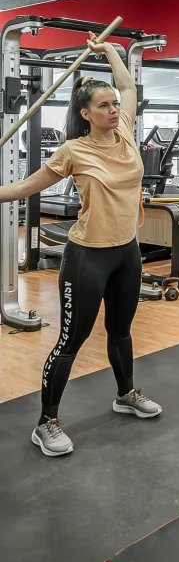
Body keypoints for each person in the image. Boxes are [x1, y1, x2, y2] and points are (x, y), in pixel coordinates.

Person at [0, 34, 162, 457]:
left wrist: (107, 49)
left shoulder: (125, 132)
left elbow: (128, 87)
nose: (114, 109)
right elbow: (24, 187)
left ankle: (125, 394)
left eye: (113, 104)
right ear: (85, 113)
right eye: (104, 105)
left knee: (121, 332)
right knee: (71, 341)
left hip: (127, 251)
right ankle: (46, 423)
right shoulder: (74, 151)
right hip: (87, 255)